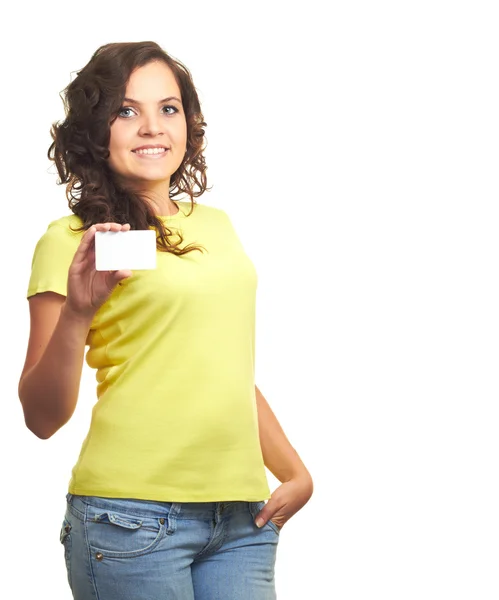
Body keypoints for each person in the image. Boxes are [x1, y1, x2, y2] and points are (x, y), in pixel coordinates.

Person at [18, 41, 313, 600]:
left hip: (241, 522)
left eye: (168, 108)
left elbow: (220, 369)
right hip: (129, 519)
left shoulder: (218, 226)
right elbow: (41, 417)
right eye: (126, 111)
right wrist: (79, 310)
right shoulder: (72, 241)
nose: (151, 127)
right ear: (95, 128)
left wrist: (294, 470)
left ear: (189, 123)